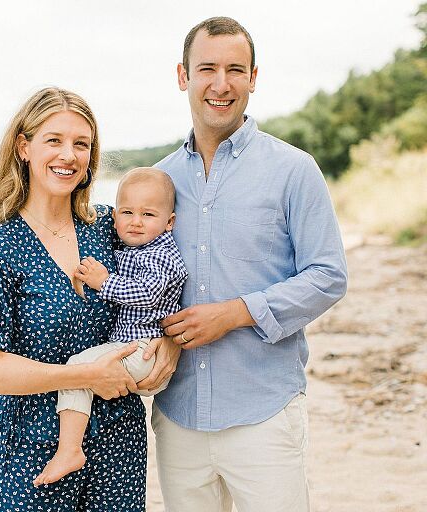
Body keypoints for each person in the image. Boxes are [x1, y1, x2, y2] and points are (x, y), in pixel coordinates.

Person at [139, 16, 348, 512]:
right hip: (178, 413)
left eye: (235, 69)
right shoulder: (158, 182)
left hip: (264, 412)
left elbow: (328, 275)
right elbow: (139, 278)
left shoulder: (294, 170)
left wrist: (236, 312)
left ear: (253, 77)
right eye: (206, 68)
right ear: (182, 75)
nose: (220, 83)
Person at [0, 87, 156, 511]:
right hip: (34, 448)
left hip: (118, 441)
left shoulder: (108, 226)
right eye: (54, 140)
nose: (68, 155)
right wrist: (85, 376)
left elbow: (167, 281)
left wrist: (170, 347)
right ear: (24, 147)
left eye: (80, 144)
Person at [33, 167, 188, 487]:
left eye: (148, 214)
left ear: (169, 222)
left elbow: (148, 294)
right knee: (85, 372)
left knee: (78, 368)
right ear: (115, 215)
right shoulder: (136, 242)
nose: (136, 221)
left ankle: (69, 449)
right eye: (127, 212)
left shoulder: (163, 256)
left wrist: (104, 282)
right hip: (135, 349)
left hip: (146, 350)